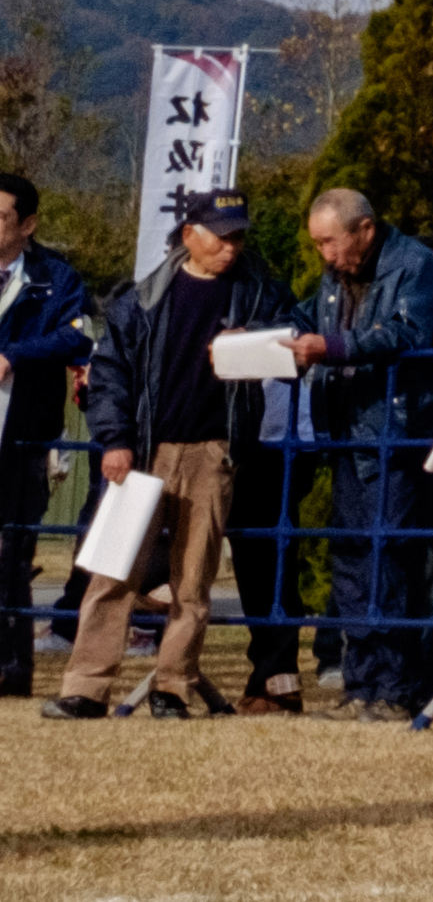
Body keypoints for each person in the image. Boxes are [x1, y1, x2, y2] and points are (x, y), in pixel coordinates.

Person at [45, 189, 282, 718]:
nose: (231, 248)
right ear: (189, 236)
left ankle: (172, 687)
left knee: (193, 581)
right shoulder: (141, 299)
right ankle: (86, 687)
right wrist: (115, 441)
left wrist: (260, 337)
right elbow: (109, 375)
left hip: (213, 453)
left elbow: (297, 334)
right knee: (112, 574)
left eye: (239, 236)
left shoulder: (258, 291)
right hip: (142, 454)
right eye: (222, 237)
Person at [284, 187, 433, 719]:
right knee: (353, 557)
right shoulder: (333, 279)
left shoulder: (415, 265)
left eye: (331, 243)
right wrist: (272, 334)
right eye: (317, 245)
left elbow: (408, 331)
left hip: (396, 432)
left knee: (391, 557)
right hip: (345, 432)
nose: (326, 256)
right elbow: (308, 317)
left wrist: (333, 349)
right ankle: (360, 685)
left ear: (365, 229)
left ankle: (395, 689)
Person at [0, 173, 94, 699]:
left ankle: (11, 668)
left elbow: (76, 334)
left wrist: (15, 354)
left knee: (13, 548)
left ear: (28, 224)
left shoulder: (54, 277)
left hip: (24, 434)